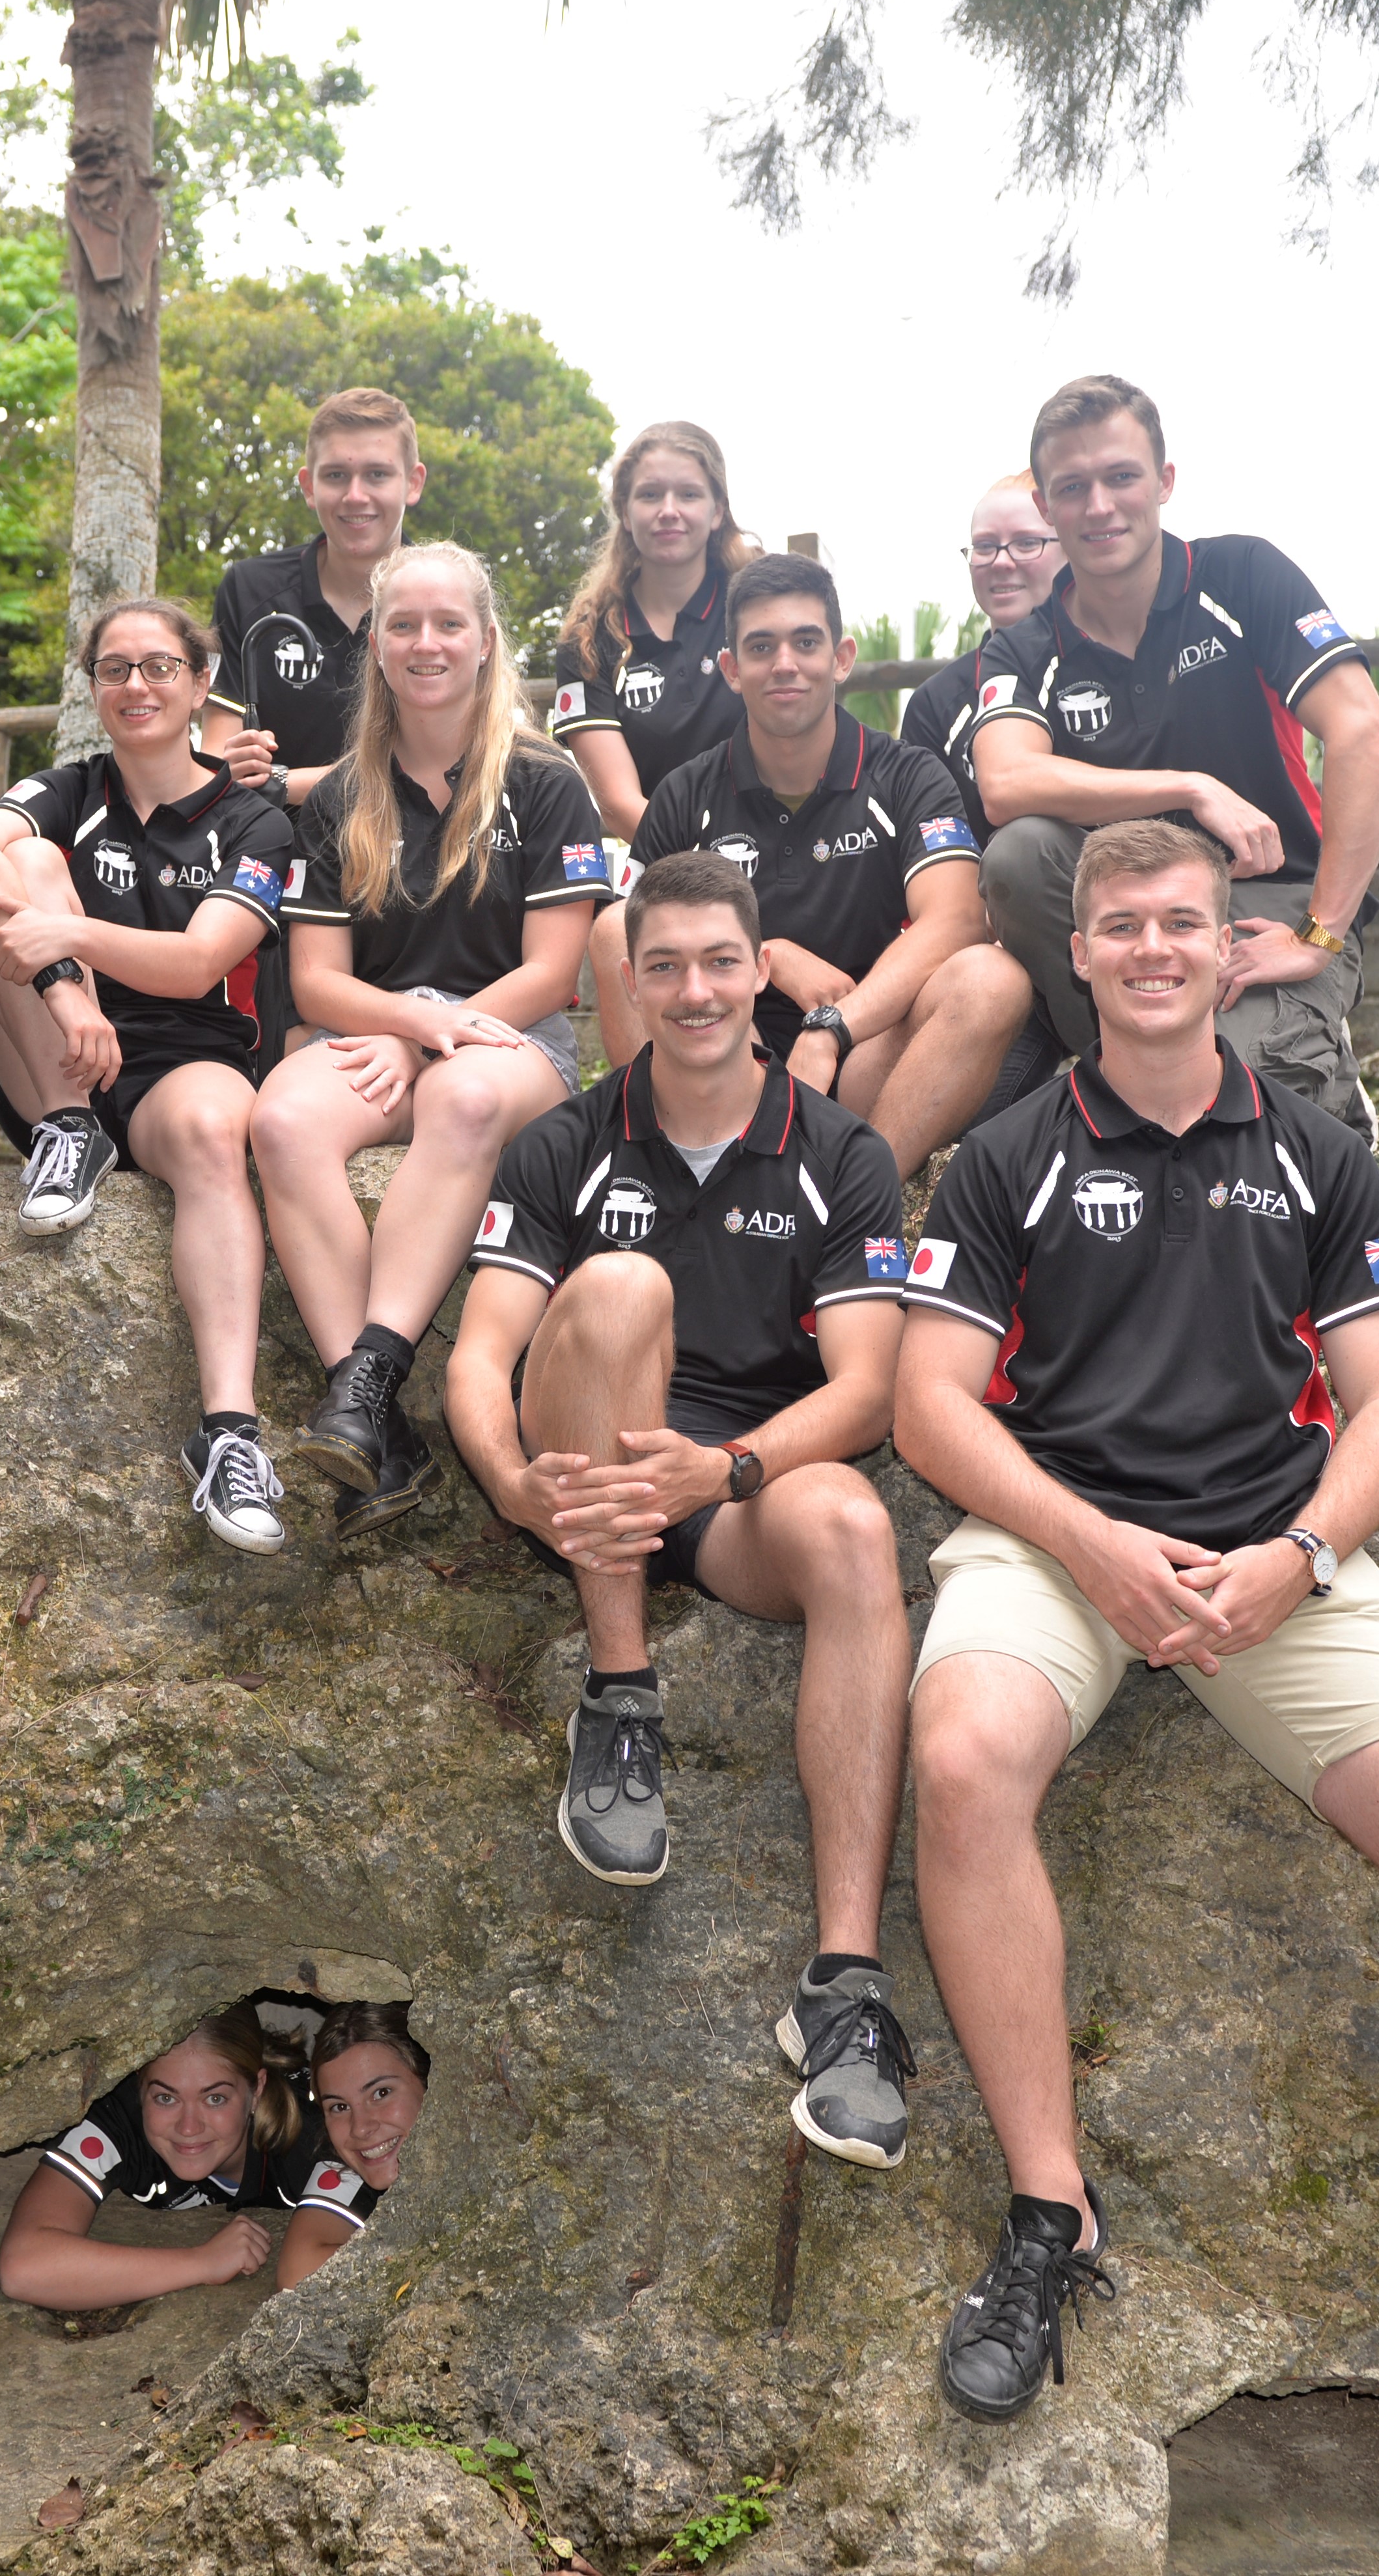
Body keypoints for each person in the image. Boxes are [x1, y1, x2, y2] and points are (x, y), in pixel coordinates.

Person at [887, 818, 1379, 2450]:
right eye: (1124, 925)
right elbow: (924, 1406)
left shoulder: (1318, 1150)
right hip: (1062, 1540)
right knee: (961, 1762)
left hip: (1273, 1554)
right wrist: (1091, 1545)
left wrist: (1303, 1550)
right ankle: (1052, 2214)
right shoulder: (1007, 1150)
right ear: (1083, 952)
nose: (1157, 947)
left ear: (1234, 943)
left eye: (1188, 921)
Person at [447, 850, 925, 2170]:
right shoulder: (562, 1141)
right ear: (629, 981)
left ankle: (841, 1983)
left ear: (762, 971)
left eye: (720, 960)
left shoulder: (840, 1151)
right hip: (593, 1435)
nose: (695, 988)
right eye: (663, 964)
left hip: (728, 1483)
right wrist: (507, 1481)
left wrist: (725, 1472)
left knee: (854, 1528)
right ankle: (618, 1696)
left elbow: (866, 1389)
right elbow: (479, 1360)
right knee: (615, 1290)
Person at [254, 542, 609, 1537]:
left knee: (463, 1096)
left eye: (449, 624)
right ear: (375, 645)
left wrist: (433, 1036)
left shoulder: (544, 780)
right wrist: (409, 1024)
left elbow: (554, 971)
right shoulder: (338, 798)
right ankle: (371, 1427)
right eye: (403, 625)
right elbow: (318, 980)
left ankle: (370, 1377)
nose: (426, 643)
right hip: (378, 1028)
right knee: (279, 1119)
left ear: (487, 642)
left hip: (514, 1040)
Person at [0, 596, 301, 1555]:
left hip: (191, 1057)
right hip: (57, 1054)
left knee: (221, 1135)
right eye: (114, 669)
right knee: (26, 863)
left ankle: (229, 1436)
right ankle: (68, 1136)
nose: (136, 686)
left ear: (199, 683)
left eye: (159, 667)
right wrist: (69, 989)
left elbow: (195, 963)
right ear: (92, 686)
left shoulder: (256, 822)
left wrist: (71, 936)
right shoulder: (71, 789)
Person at [966, 376, 1379, 1125]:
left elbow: (1368, 735)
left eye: (1121, 477)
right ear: (1044, 505)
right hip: (1127, 914)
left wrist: (1320, 935)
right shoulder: (1021, 646)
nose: (1099, 506)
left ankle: (1317, 1079)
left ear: (1164, 482)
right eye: (1072, 487)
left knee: (1244, 1099)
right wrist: (1193, 786)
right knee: (1017, 853)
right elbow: (1004, 780)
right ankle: (1127, 1066)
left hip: (1268, 901)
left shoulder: (1242, 575)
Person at [586, 553, 1036, 1174]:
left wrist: (830, 1028)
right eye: (762, 647)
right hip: (723, 1050)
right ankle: (673, 1178)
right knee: (616, 930)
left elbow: (958, 919)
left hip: (863, 1056)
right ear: (731, 669)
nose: (786, 664)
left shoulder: (907, 775)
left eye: (805, 642)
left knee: (993, 978)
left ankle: (859, 1198)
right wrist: (775, 954)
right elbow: (641, 939)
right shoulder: (686, 794)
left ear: (842, 658)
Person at [202, 387, 431, 1066]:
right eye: (336, 475)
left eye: (376, 474)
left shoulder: (444, 591)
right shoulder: (249, 588)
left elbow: (426, 763)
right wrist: (232, 766)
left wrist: (276, 780)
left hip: (409, 846)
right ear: (308, 485)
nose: (355, 495)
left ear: (412, 483)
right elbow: (215, 752)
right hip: (282, 856)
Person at [0, 2005, 342, 2312]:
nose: (188, 2127)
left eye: (215, 2099)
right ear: (138, 2087)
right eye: (166, 2098)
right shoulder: (120, 2119)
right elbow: (24, 2266)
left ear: (257, 2090)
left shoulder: (313, 2135)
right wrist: (201, 2263)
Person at [549, 423, 751, 845]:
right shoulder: (586, 640)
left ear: (717, 511)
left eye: (689, 494)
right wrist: (715, 864)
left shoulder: (756, 609)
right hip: (664, 863)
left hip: (782, 857)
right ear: (625, 511)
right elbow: (621, 805)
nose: (669, 510)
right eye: (650, 494)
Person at [896, 474, 1060, 836]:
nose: (1001, 562)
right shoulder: (934, 705)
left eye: (1027, 543)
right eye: (985, 546)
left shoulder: (1113, 662)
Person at [279, 2001, 430, 2289]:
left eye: (381, 2093)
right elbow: (298, 2275)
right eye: (339, 2107)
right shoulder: (346, 2162)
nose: (361, 2127)